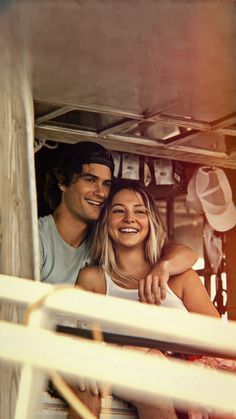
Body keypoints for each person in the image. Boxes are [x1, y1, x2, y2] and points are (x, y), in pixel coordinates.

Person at [38, 142, 198, 418]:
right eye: (90, 180)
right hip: (43, 347)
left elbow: (183, 252)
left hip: (116, 357)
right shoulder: (33, 238)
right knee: (91, 388)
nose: (100, 192)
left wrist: (163, 267)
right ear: (63, 182)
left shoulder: (102, 243)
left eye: (106, 184)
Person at [76, 180, 232, 419]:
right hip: (130, 371)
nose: (129, 218)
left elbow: (218, 341)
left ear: (151, 222)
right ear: (105, 221)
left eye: (140, 212)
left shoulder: (180, 276)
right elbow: (78, 338)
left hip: (185, 372)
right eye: (118, 211)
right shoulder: (93, 279)